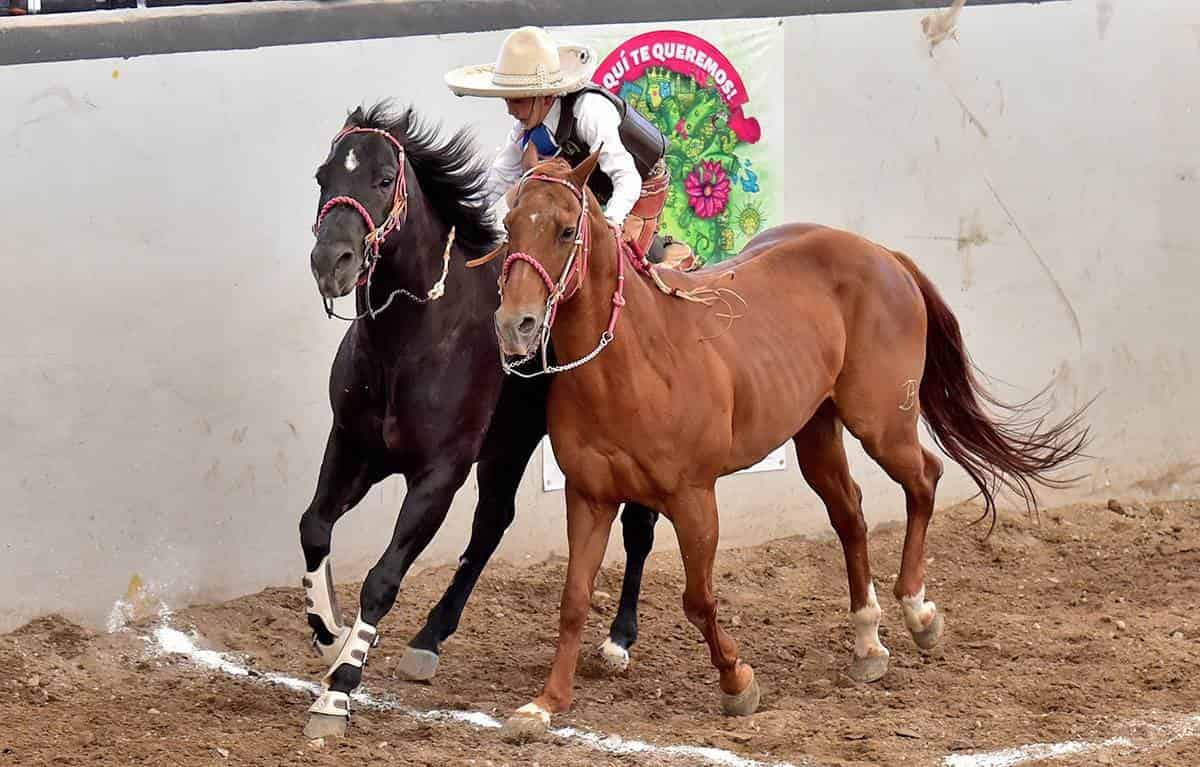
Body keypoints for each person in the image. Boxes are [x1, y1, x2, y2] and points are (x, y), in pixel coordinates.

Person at [445, 26, 693, 267]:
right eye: (507, 100)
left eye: (517, 101)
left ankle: (658, 256)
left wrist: (609, 225)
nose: (510, 110)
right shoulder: (525, 128)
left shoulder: (590, 111)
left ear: (546, 97)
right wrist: (460, 218)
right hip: (591, 191)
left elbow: (627, 178)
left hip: (641, 188)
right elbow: (499, 177)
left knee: (617, 269)